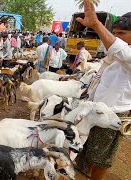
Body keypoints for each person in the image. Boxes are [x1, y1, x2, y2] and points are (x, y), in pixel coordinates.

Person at [75, 1, 131, 180]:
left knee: (100, 158)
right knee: (83, 149)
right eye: (115, 34)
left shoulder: (124, 55)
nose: (117, 38)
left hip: (112, 115)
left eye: (122, 33)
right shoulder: (113, 57)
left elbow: (121, 50)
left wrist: (97, 25)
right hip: (94, 109)